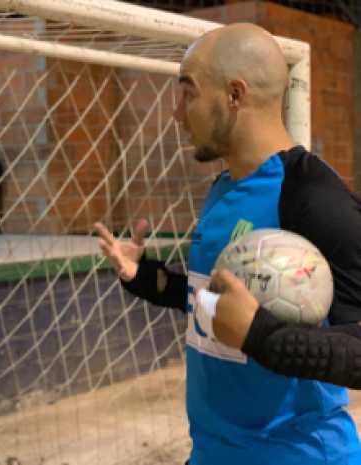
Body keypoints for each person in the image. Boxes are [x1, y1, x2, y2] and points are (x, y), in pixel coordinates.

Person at [95, 23, 361, 465]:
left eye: (189, 94)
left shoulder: (312, 196)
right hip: (213, 451)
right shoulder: (223, 188)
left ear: (235, 96)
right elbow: (215, 305)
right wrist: (145, 277)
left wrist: (261, 336)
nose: (177, 113)